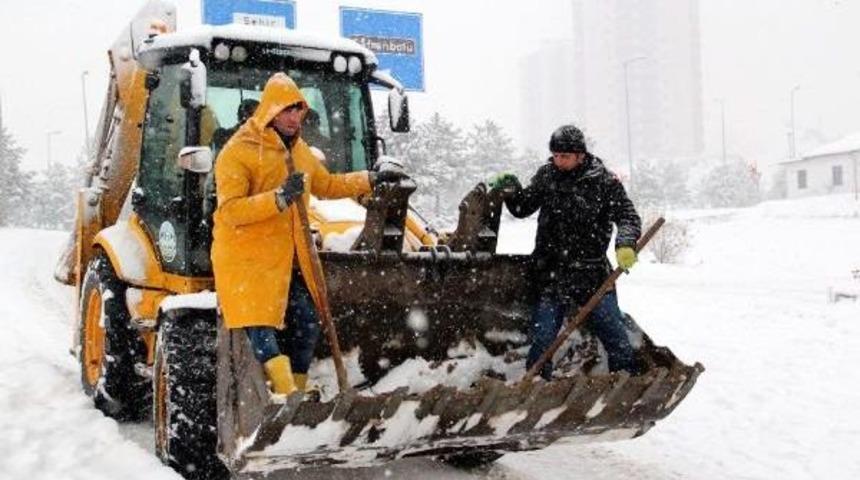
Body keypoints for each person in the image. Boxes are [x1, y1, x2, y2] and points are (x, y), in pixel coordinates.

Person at [211, 73, 407, 395]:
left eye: (299, 110)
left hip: (287, 258)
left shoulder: (300, 152)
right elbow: (229, 211)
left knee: (307, 319)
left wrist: (371, 179)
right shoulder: (239, 152)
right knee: (259, 324)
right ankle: (288, 394)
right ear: (270, 110)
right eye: (288, 110)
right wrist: (277, 198)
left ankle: (297, 393)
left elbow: (327, 185)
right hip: (245, 259)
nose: (294, 117)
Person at [490, 124, 642, 380]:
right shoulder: (547, 176)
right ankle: (537, 384)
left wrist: (625, 243)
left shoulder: (604, 182)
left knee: (614, 333)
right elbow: (523, 207)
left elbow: (627, 216)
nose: (558, 161)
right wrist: (512, 189)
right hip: (551, 273)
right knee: (544, 338)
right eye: (555, 155)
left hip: (592, 274)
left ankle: (624, 381)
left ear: (580, 155)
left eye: (565, 157)